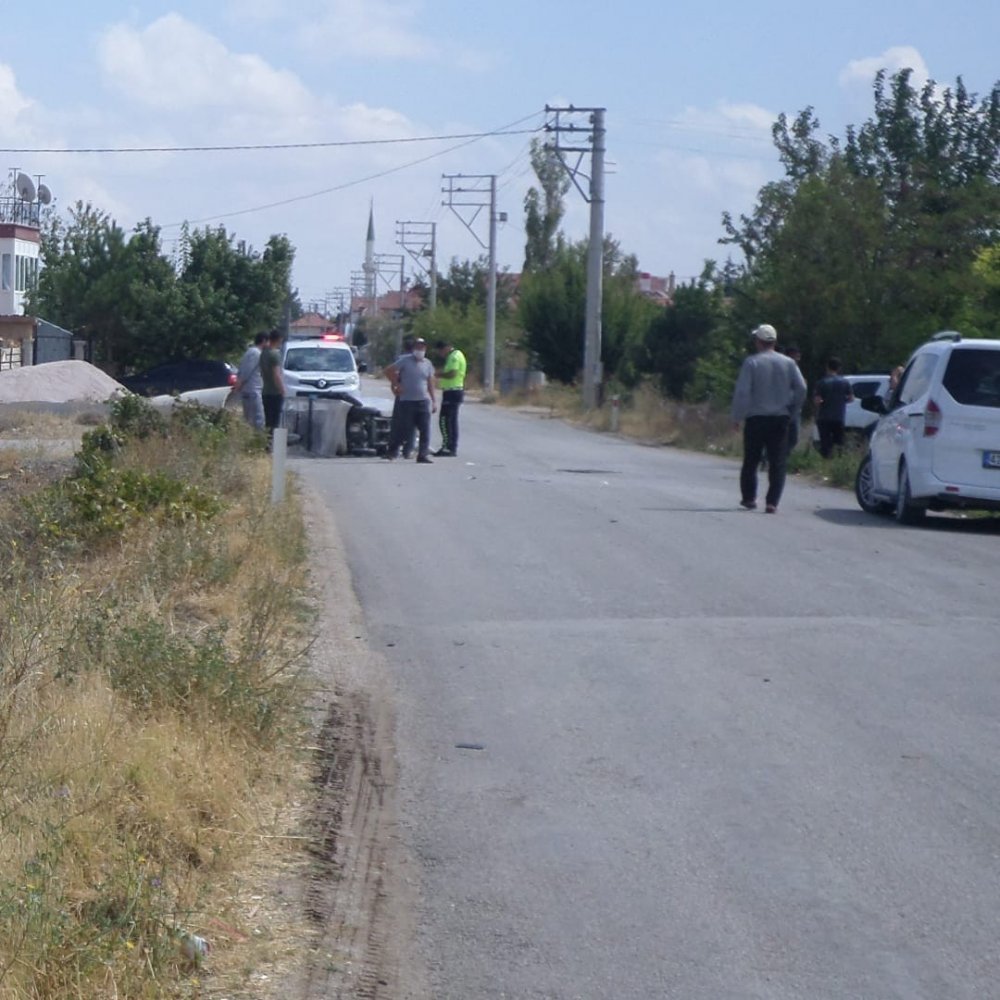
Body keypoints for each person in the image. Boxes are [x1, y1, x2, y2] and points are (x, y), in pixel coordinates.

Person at [731, 323, 807, 513]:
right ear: (774, 341)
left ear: (758, 341)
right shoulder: (788, 363)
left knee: (751, 460)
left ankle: (749, 498)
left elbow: (742, 392)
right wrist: (793, 409)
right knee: (777, 461)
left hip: (756, 418)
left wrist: (737, 416)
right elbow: (801, 388)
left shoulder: (752, 362)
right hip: (780, 418)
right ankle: (772, 502)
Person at [383, 336, 436, 463]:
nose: (420, 350)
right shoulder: (405, 361)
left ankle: (422, 455)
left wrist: (434, 400)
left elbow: (430, 382)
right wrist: (397, 384)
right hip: (407, 401)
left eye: (422, 348)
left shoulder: (427, 364)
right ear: (413, 349)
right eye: (418, 347)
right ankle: (392, 451)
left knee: (425, 429)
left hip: (422, 401)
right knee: (404, 428)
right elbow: (389, 371)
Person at [813, 356, 854, 459]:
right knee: (839, 443)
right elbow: (851, 398)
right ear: (839, 368)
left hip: (824, 417)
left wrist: (823, 403)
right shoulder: (845, 382)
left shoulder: (821, 382)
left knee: (825, 444)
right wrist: (841, 401)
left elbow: (817, 401)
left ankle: (826, 461)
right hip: (838, 417)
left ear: (827, 367)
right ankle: (838, 461)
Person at [434, 338, 467, 456]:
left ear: (446, 348)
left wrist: (438, 374)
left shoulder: (454, 357)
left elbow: (452, 373)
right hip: (454, 391)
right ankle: (451, 447)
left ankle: (447, 447)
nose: (440, 354)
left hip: (452, 392)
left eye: (440, 351)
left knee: (445, 420)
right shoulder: (456, 355)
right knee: (451, 421)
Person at [232, 331, 267, 429]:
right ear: (264, 341)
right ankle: (257, 437)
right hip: (253, 391)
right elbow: (246, 372)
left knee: (250, 420)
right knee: (258, 419)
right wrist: (238, 386)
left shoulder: (250, 352)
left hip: (250, 390)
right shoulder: (255, 353)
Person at [389, 336, 417, 459]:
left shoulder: (400, 359)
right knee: (411, 423)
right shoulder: (416, 360)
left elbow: (393, 374)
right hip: (414, 395)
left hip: (402, 394)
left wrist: (394, 386)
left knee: (398, 422)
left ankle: (393, 450)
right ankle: (408, 450)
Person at [259, 329, 286, 447]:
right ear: (279, 339)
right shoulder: (274, 354)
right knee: (275, 421)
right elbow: (276, 375)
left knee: (268, 420)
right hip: (275, 392)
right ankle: (271, 445)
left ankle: (266, 443)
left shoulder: (263, 353)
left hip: (265, 390)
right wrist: (282, 389)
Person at [783, 345, 804, 456]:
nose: (798, 357)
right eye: (796, 355)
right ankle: (775, 457)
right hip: (784, 406)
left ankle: (782, 456)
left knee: (793, 437)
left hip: (794, 407)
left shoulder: (796, 369)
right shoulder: (784, 368)